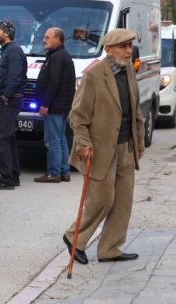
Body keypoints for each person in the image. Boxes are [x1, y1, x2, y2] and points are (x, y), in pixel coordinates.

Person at [62, 28, 144, 265]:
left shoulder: (128, 70)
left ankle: (110, 249)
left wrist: (138, 140)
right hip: (99, 149)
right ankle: (74, 238)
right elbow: (77, 116)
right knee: (101, 200)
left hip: (126, 146)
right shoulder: (94, 75)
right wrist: (84, 144)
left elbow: (135, 108)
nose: (128, 51)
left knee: (123, 201)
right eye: (123, 46)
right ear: (108, 50)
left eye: (130, 46)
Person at [0, 19, 27, 190]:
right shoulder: (8, 51)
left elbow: (15, 77)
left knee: (2, 139)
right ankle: (13, 174)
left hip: (9, 102)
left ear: (7, 33)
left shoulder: (14, 52)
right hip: (9, 100)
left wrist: (5, 97)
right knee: (8, 139)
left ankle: (7, 179)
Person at [35, 28, 76, 183]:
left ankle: (53, 173)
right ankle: (64, 172)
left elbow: (54, 82)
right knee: (61, 139)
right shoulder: (59, 55)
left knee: (52, 141)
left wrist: (45, 104)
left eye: (47, 37)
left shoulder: (58, 57)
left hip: (54, 106)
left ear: (58, 39)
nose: (44, 40)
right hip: (62, 106)